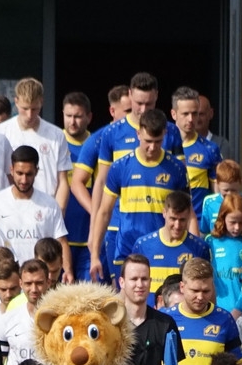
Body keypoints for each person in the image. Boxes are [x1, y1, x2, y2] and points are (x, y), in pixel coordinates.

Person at [89, 109, 192, 284]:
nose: (152, 147)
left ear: (165, 135)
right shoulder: (120, 167)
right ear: (138, 134)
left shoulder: (176, 168)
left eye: (158, 142)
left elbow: (188, 213)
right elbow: (104, 211)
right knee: (125, 297)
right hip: (127, 247)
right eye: (148, 141)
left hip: (162, 247)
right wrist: (94, 255)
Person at [69, 86, 131, 281]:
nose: (135, 115)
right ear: (112, 111)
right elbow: (77, 182)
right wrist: (97, 213)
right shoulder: (99, 138)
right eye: (128, 110)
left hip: (135, 223)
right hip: (107, 227)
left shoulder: (145, 137)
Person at [0, 145, 71, 274]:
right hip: (7, 277)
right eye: (19, 173)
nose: (24, 180)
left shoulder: (50, 204)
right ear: (11, 170)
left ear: (36, 171)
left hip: (38, 278)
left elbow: (60, 241)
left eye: (29, 174)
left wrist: (68, 271)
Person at [0, 78, 72, 213]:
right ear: (16, 101)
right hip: (10, 211)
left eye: (35, 109)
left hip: (45, 210)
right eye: (25, 109)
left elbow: (63, 180)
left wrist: (59, 213)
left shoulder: (56, 135)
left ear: (42, 102)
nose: (29, 115)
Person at [130, 190, 209, 304]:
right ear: (164, 213)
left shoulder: (200, 248)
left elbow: (207, 287)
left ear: (189, 216)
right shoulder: (143, 245)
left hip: (182, 314)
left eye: (182, 220)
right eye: (173, 219)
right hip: (150, 313)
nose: (177, 225)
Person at [3, 259, 51, 365]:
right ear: (20, 283)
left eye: (39, 283)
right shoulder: (8, 319)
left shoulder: (59, 320)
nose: (34, 289)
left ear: (48, 283)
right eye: (28, 283)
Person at [171, 86, 222, 218]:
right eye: (185, 114)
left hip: (199, 222)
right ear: (174, 114)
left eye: (195, 113)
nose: (191, 119)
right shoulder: (160, 146)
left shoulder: (210, 149)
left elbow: (218, 194)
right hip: (168, 221)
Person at [61, 92, 94, 281]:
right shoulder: (56, 142)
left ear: (89, 117)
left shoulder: (97, 144)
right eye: (68, 116)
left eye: (78, 116)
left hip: (88, 236)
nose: (72, 121)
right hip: (60, 236)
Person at [206, 192, 242, 310]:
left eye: (241, 222)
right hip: (217, 307)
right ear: (223, 218)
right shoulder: (211, 241)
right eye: (233, 222)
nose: (237, 227)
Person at [199, 159, 242, 236]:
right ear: (217, 183)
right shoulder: (209, 202)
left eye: (233, 190)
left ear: (241, 183)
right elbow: (204, 232)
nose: (229, 194)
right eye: (226, 190)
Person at [196, 94, 232, 160]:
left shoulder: (221, 145)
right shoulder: (182, 144)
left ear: (211, 113)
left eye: (201, 114)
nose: (198, 118)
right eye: (194, 114)